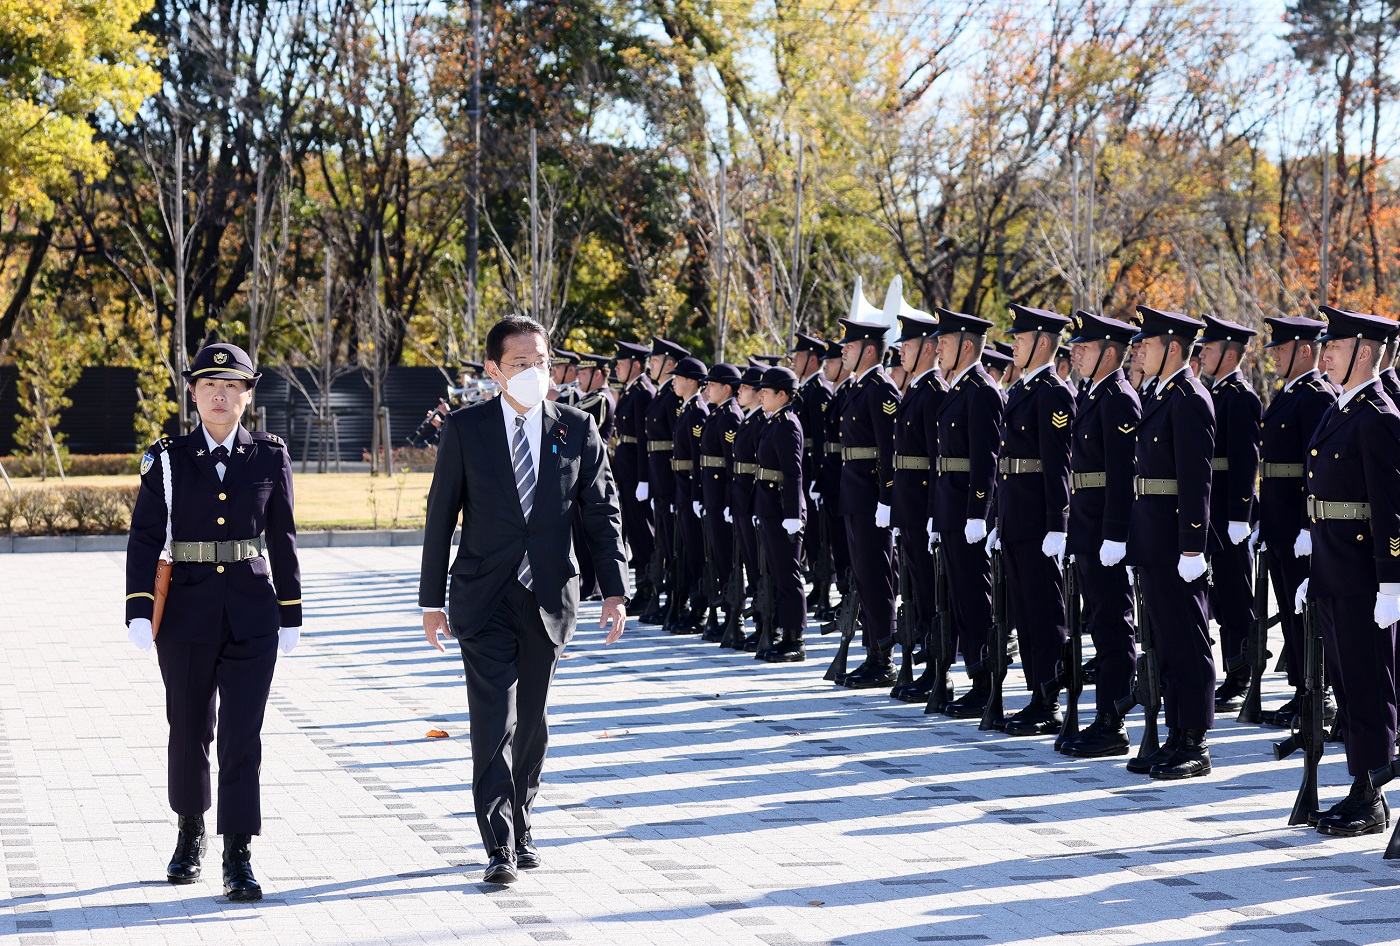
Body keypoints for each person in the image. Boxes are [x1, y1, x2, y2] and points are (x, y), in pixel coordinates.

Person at [419, 315, 629, 885]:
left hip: (549, 595)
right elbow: (441, 515)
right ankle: (499, 843)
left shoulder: (577, 428)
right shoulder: (466, 428)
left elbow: (602, 513)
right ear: (494, 370)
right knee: (494, 720)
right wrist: (431, 601)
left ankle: (523, 819)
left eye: (542, 362)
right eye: (520, 363)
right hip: (484, 596)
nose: (536, 372)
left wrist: (614, 590)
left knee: (532, 722)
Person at [124, 342, 301, 901]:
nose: (220, 396)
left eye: (231, 387)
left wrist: (291, 612)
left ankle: (238, 854)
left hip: (252, 611)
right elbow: (145, 537)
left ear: (248, 395)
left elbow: (283, 537)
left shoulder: (269, 455)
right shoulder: (168, 458)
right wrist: (137, 608)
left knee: (243, 736)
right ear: (193, 393)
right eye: (209, 386)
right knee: (188, 730)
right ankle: (189, 833)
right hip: (186, 614)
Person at [1296, 305, 1400, 839]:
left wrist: (1392, 581)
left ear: (1363, 351)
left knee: (1369, 684)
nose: (1325, 356)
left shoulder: (1379, 416)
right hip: (1335, 569)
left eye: (1334, 346)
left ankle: (1372, 793)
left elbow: (1391, 508)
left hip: (1363, 576)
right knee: (1347, 684)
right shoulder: (1341, 409)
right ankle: (1361, 783)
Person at [1124, 306, 1216, 780]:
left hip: (1177, 543)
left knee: (1187, 640)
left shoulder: (1190, 399)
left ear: (1173, 348)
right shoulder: (1159, 394)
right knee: (1164, 640)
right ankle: (1176, 734)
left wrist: (1192, 547)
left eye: (1149, 344)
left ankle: (1195, 740)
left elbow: (1196, 480)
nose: (1140, 351)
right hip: (1153, 537)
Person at [1061, 312, 1141, 757]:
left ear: (1110, 353)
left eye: (1085, 347)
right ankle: (1102, 715)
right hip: (1087, 528)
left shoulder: (1119, 399)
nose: (1076, 354)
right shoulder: (1094, 395)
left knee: (1113, 625)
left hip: (1105, 534)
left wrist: (1116, 535)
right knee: (1099, 625)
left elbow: (1123, 475)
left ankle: (1113, 720)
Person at [993, 305, 1076, 736]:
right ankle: (1035, 692)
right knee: (1025, 612)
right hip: (1016, 515)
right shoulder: (1022, 389)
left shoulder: (1053, 393)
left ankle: (1049, 697)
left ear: (1043, 343)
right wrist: (998, 517)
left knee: (1044, 611)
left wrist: (1057, 524)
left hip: (1038, 521)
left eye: (1020, 339)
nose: (1014, 346)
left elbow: (1057, 464)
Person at [1256, 316, 1335, 728]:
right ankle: (1302, 690)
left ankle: (1319, 693)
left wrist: (1308, 525)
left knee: (1307, 612)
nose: (1275, 357)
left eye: (1281, 349)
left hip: (1298, 524)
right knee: (1289, 607)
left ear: (1305, 351)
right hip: (1278, 519)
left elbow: (1316, 467)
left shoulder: (1316, 396)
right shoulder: (1288, 393)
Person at [929, 308, 1004, 718]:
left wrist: (978, 512)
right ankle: (975, 674)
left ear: (968, 346)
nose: (938, 348)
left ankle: (985, 680)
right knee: (960, 596)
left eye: (945, 342)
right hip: (950, 506)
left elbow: (986, 458)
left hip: (968, 511)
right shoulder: (959, 388)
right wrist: (936, 514)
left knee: (976, 598)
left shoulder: (982, 390)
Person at [1197, 316, 1262, 712]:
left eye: (1210, 347)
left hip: (1228, 515)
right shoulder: (1214, 393)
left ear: (1230, 353)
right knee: (1219, 596)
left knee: (1236, 597)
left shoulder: (1240, 397)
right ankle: (1232, 670)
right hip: (1211, 510)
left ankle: (1241, 675)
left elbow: (1245, 460)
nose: (1202, 353)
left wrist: (1240, 515)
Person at [834, 317, 902, 687]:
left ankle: (884, 656)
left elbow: (890, 450)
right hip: (854, 493)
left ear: (870, 350)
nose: (843, 351)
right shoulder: (858, 387)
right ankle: (872, 651)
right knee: (863, 576)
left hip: (872, 496)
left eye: (850, 345)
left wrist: (887, 499)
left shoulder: (881, 389)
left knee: (877, 576)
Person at [888, 311, 948, 703]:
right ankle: (927, 664)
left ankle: (938, 669)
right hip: (908, 506)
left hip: (922, 507)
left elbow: (936, 460)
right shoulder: (915, 389)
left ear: (927, 348)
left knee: (932, 593)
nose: (901, 353)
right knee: (918, 592)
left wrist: (931, 513)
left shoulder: (934, 392)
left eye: (907, 346)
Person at [753, 366, 808, 661]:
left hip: (783, 509)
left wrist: (792, 513)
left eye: (766, 391)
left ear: (782, 394)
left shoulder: (787, 424)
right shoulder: (773, 421)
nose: (760, 395)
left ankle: (794, 639)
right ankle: (778, 632)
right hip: (770, 507)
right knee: (776, 574)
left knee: (788, 575)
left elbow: (793, 472)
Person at [641, 337, 689, 624]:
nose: (650, 366)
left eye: (656, 361)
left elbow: (678, 445)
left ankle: (677, 599)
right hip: (658, 478)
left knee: (673, 544)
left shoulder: (673, 397)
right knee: (664, 540)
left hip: (670, 480)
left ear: (670, 364)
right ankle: (668, 598)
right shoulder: (662, 394)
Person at [697, 363, 744, 642]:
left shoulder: (730, 416)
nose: (707, 389)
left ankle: (733, 616)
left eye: (712, 385)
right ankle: (725, 614)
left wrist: (728, 500)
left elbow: (732, 464)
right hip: (711, 495)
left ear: (727, 388)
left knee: (727, 558)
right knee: (716, 555)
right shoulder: (718, 413)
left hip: (721, 497)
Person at [611, 341, 657, 617]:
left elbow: (643, 440)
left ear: (636, 365)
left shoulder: (643, 393)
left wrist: (643, 479)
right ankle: (642, 587)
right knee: (634, 531)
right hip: (626, 473)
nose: (616, 367)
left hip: (636, 475)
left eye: (621, 363)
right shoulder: (631, 391)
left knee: (642, 534)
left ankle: (648, 588)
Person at [793, 333, 834, 613]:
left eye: (799, 356)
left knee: (820, 534)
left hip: (812, 467)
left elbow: (821, 438)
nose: (795, 361)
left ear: (812, 359)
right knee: (810, 533)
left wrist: (819, 475)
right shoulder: (806, 389)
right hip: (803, 467)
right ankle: (818, 586)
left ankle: (824, 587)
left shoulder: (818, 389)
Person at [728, 366, 768, 649]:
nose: (739, 392)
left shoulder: (761, 422)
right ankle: (760, 625)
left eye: (744, 388)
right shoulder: (749, 419)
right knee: (752, 567)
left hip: (753, 500)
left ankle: (766, 624)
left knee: (759, 566)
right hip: (741, 499)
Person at [669, 356, 710, 632]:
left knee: (696, 552)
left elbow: (698, 460)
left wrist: (696, 495)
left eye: (678, 377)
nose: (673, 382)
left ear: (692, 381)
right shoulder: (686, 409)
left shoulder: (697, 412)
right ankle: (688, 604)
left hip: (690, 489)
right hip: (681, 488)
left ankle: (700, 608)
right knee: (684, 550)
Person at [572, 353, 616, 599]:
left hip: (591, 471)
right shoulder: (591, 398)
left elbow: (573, 418)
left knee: (590, 530)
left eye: (584, 373)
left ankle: (594, 583)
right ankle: (588, 582)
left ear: (597, 374)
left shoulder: (599, 399)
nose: (579, 378)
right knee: (580, 531)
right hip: (583, 470)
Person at [816, 340, 853, 620]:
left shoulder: (849, 392)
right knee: (838, 543)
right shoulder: (838, 393)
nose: (826, 365)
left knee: (846, 544)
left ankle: (850, 597)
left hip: (844, 479)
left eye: (831, 360)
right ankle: (845, 596)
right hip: (833, 478)